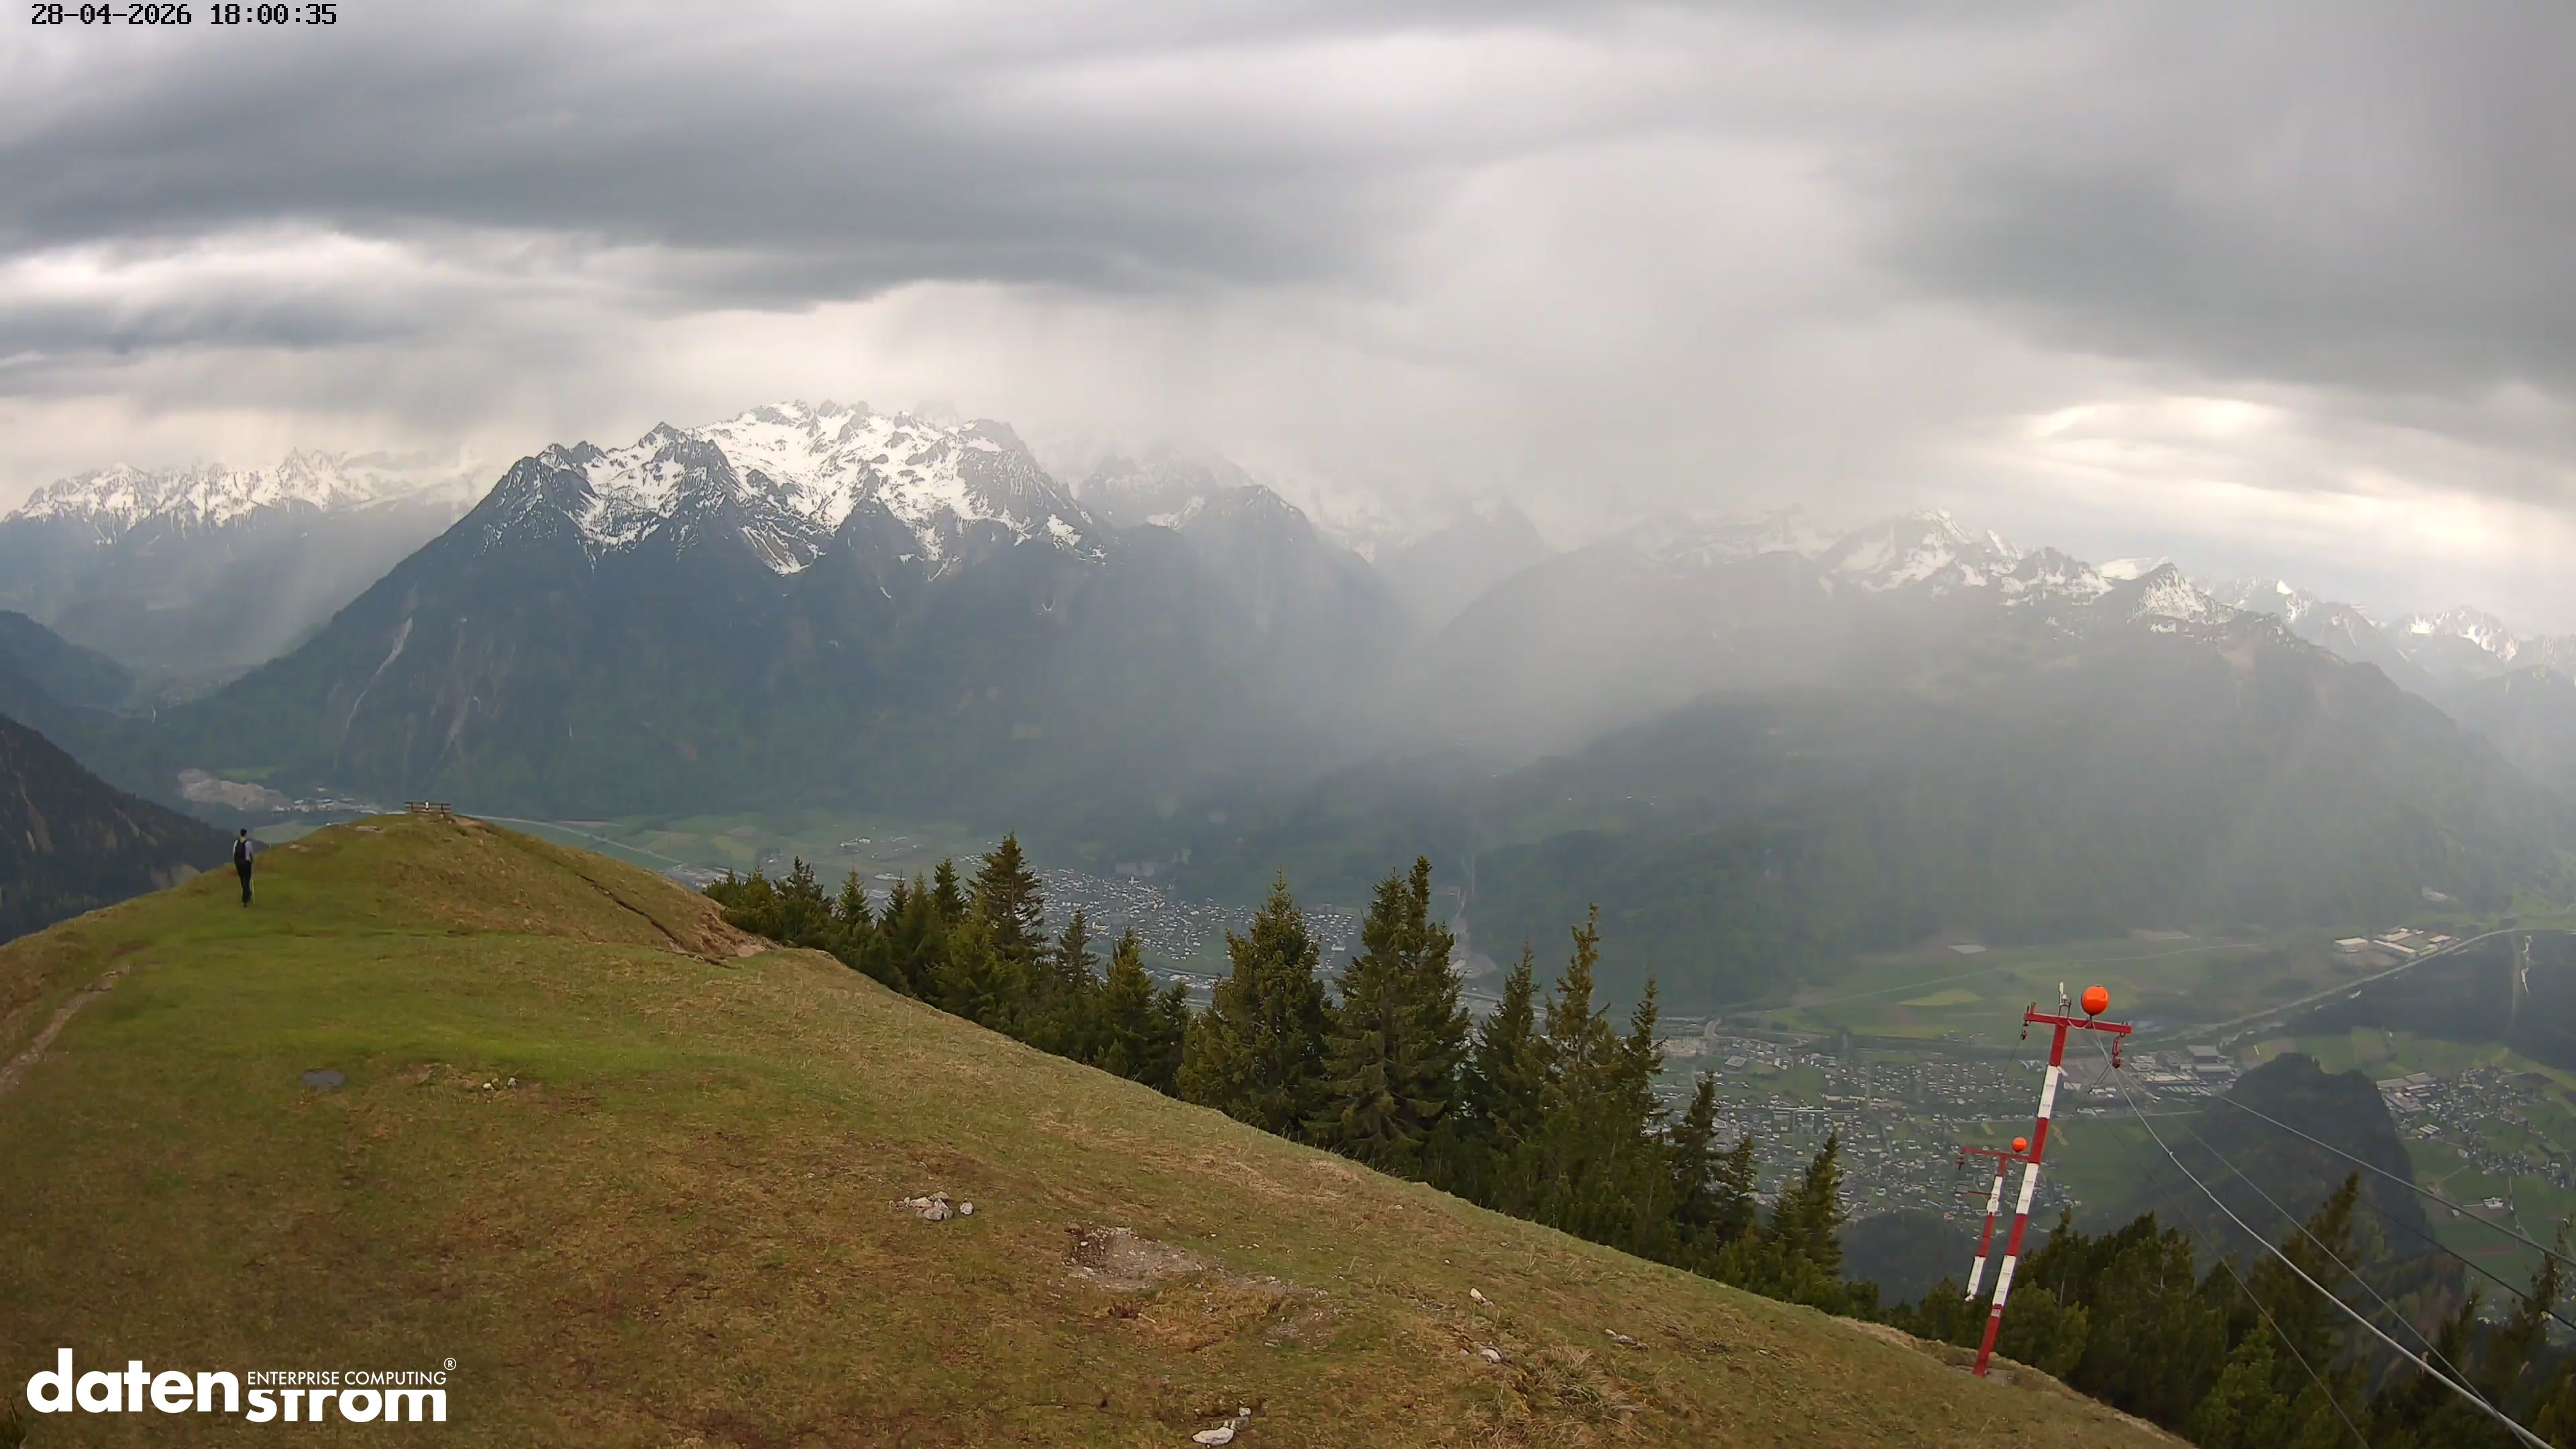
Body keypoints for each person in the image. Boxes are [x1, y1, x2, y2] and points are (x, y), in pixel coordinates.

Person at [233, 828, 254, 906]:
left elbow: (234, 854)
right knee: (246, 880)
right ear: (245, 834)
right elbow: (251, 853)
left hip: (238, 864)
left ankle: (247, 894)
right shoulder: (248, 843)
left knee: (242, 879)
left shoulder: (236, 843)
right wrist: (252, 860)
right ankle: (245, 899)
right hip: (246, 864)